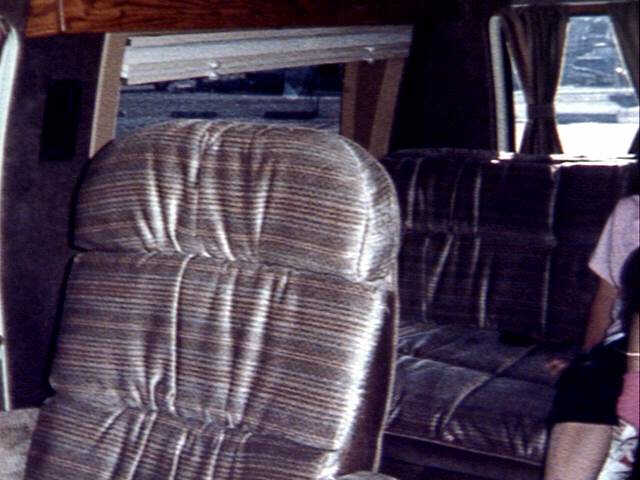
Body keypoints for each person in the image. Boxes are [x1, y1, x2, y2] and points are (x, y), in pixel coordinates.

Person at [544, 194, 639, 480]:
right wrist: (585, 359)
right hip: (623, 345)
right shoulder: (631, 211)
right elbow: (606, 297)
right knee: (585, 384)